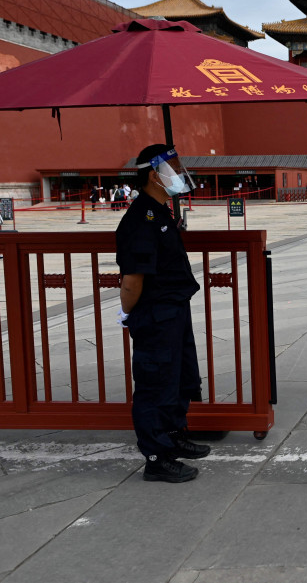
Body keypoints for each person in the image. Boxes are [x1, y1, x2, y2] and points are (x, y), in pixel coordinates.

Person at [116, 144, 210, 483]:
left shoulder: (161, 211)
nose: (180, 171)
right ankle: (156, 456)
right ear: (155, 175)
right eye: (173, 166)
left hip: (174, 310)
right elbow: (133, 279)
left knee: (179, 378)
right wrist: (126, 312)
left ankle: (172, 436)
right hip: (155, 314)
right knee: (155, 384)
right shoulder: (141, 218)